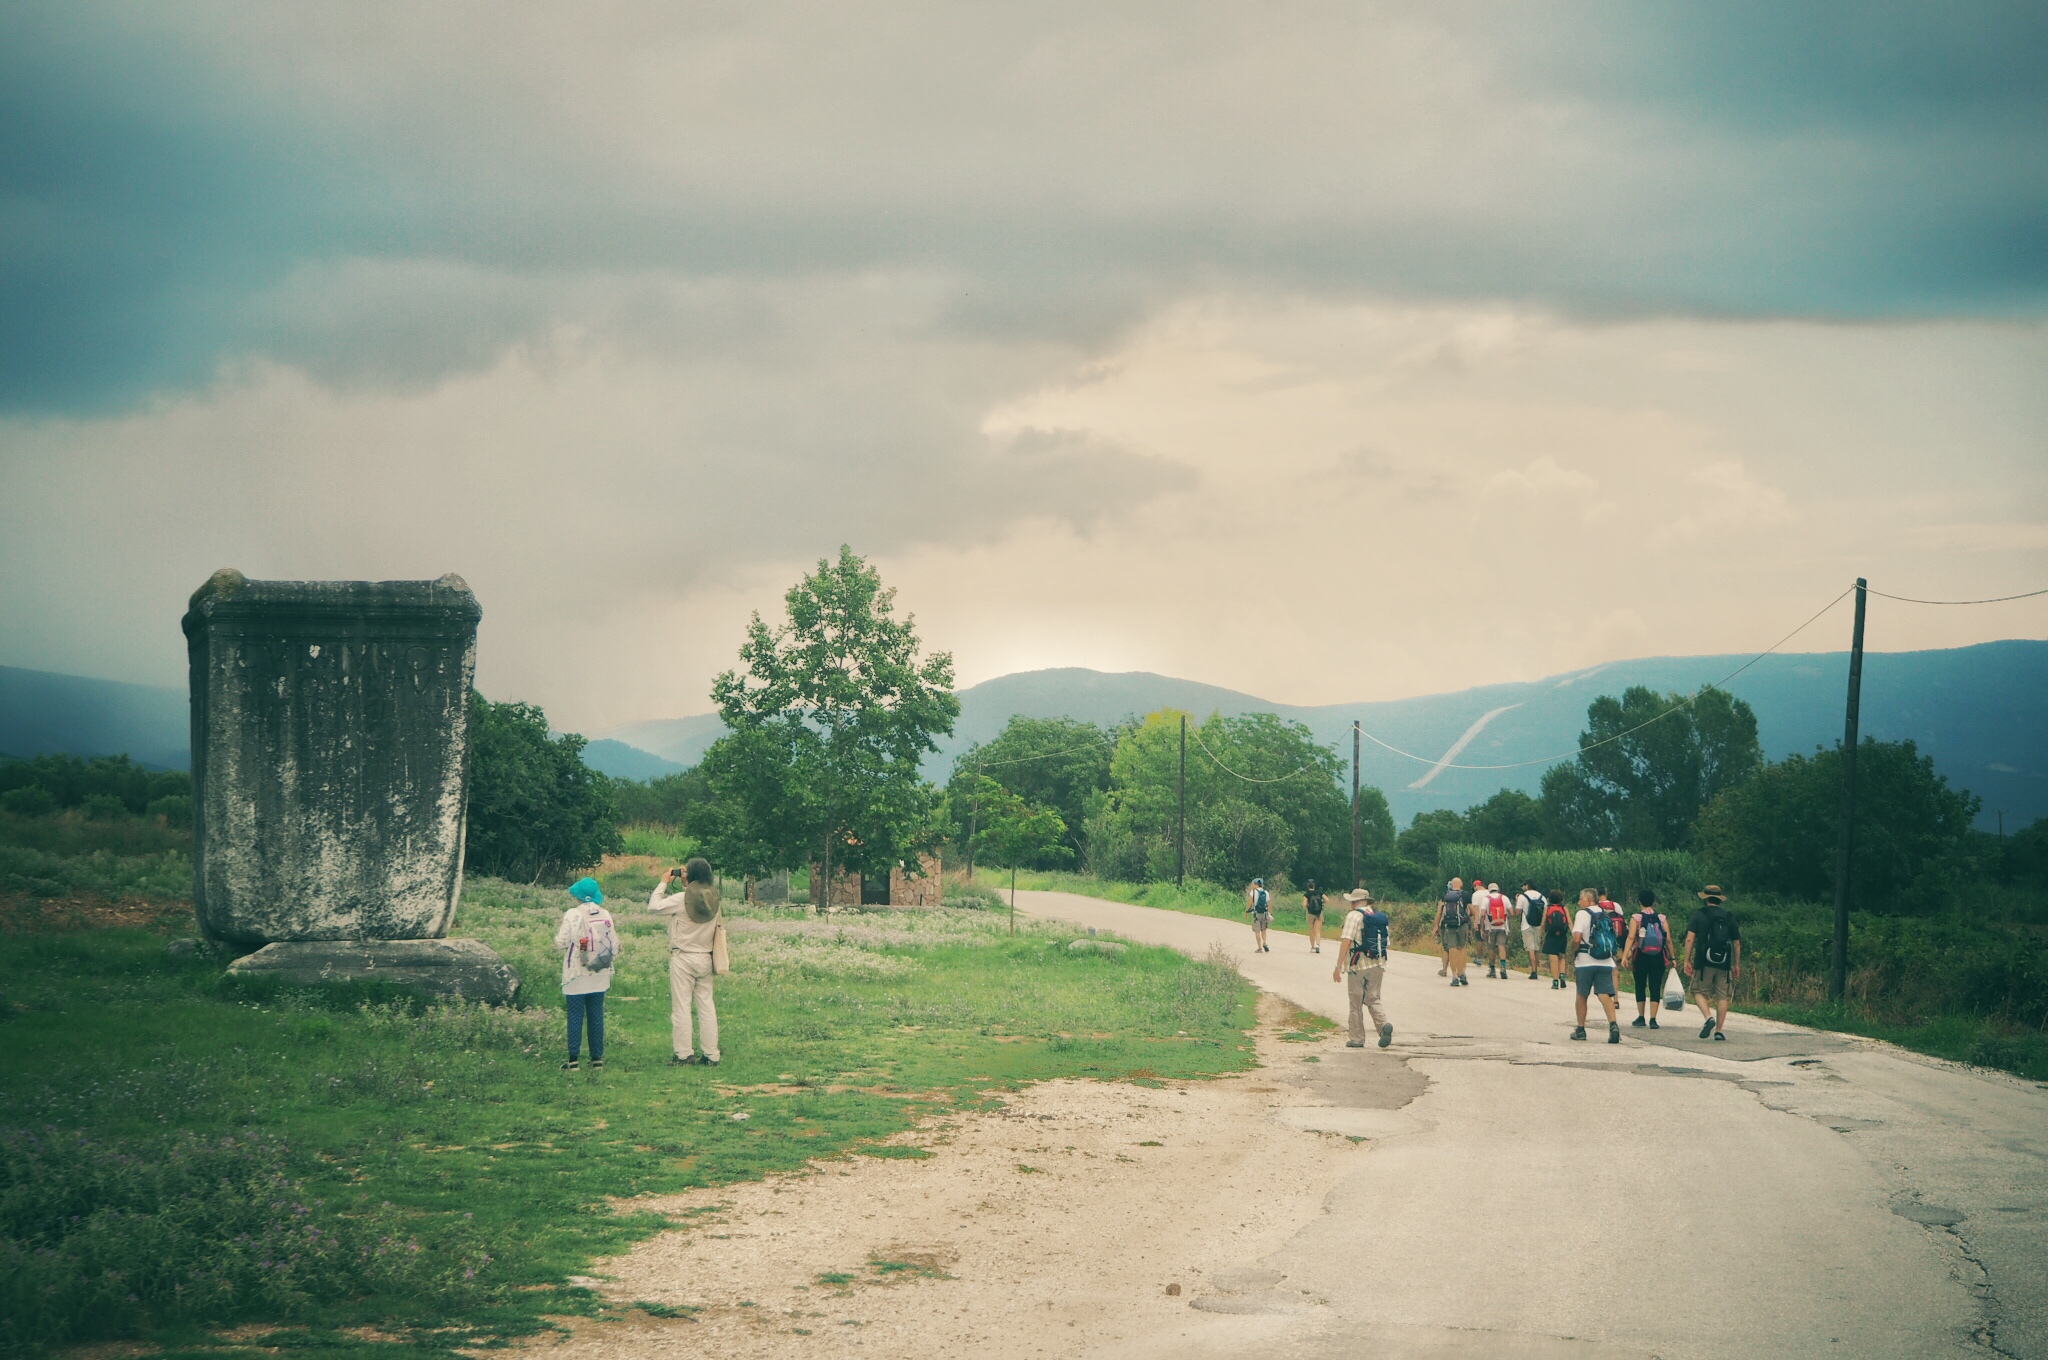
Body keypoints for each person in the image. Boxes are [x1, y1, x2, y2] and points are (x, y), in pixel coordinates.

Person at [650, 856, 724, 1066]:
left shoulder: (682, 899)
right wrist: (687, 881)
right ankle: (711, 1054)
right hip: (705, 956)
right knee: (706, 1005)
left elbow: (653, 907)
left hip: (683, 956)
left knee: (682, 1006)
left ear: (690, 876)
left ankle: (684, 1054)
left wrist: (664, 881)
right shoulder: (713, 899)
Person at [555, 877, 617, 1071]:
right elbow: (614, 944)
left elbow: (562, 942)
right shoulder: (605, 913)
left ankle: (573, 1060)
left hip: (577, 972)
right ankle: (596, 1058)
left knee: (575, 1014)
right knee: (596, 1014)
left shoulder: (573, 914)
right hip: (600, 972)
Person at [1333, 888, 1393, 1048]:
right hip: (1378, 964)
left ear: (1354, 902)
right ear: (1367, 901)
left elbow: (1346, 941)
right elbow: (1387, 942)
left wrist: (1338, 966)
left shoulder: (1353, 916)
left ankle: (1357, 1039)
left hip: (1357, 965)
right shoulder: (1377, 916)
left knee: (1355, 1002)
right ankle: (1384, 1024)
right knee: (1373, 998)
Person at [1684, 885, 1742, 1041]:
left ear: (1705, 898)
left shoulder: (1699, 914)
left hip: (1703, 963)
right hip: (1724, 963)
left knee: (1698, 991)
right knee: (1722, 996)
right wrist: (1736, 964)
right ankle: (1719, 1031)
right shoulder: (1729, 916)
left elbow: (1690, 939)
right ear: (1720, 899)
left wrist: (1686, 960)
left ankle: (1709, 1017)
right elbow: (1736, 943)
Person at [1571, 887, 1622, 1043]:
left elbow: (1576, 938)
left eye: (1581, 898)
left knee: (1582, 994)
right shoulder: (1604, 914)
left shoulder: (1582, 914)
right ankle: (1613, 1025)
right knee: (1604, 994)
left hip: (1586, 961)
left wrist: (1573, 953)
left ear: (1588, 899)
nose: (1579, 901)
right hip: (1606, 961)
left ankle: (1580, 1029)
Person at [1622, 889, 1675, 1029]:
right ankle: (1653, 1019)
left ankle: (1641, 1017)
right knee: (1655, 986)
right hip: (1658, 956)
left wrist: (1625, 955)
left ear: (1639, 901)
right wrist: (1672, 957)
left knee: (1640, 985)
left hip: (1640, 955)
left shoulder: (1636, 918)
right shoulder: (1662, 918)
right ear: (1653, 901)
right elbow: (1668, 939)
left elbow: (1631, 937)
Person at [1436, 877, 1473, 986]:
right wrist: (1474, 921)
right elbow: (1472, 910)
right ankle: (1461, 972)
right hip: (1462, 924)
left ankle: (1454, 977)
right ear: (1461, 884)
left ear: (1451, 885)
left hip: (1449, 925)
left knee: (1452, 949)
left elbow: (1439, 912)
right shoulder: (1465, 895)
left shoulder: (1446, 895)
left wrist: (1436, 926)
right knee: (1462, 948)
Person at [1539, 892, 1572, 988]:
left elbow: (1543, 923)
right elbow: (1569, 922)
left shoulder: (1548, 908)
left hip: (1551, 935)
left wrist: (1541, 935)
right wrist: (1573, 934)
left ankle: (1555, 981)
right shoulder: (1563, 908)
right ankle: (1562, 975)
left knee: (1553, 959)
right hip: (1562, 935)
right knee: (1562, 956)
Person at [1481, 882, 1511, 979]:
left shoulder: (1486, 899)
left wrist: (1482, 928)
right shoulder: (1504, 898)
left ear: (1489, 890)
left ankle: (1492, 970)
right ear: (1497, 889)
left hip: (1490, 927)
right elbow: (1512, 912)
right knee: (1501, 946)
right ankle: (1503, 967)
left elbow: (1482, 914)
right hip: (1502, 927)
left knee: (1491, 948)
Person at [1517, 880, 1547, 980]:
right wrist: (1543, 925)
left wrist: (1517, 900)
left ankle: (1533, 971)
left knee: (1530, 948)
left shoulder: (1522, 896)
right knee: (1537, 948)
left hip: (1526, 925)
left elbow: (1518, 912)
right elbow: (1545, 911)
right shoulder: (1542, 897)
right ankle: (1537, 969)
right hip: (1539, 925)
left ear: (1527, 886)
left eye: (1523, 885)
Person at [1244, 878, 1273, 953]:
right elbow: (1269, 904)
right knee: (1264, 930)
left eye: (1253, 884)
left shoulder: (1253, 892)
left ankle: (1259, 948)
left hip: (1256, 914)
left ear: (1256, 884)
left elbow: (1250, 903)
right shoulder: (1266, 892)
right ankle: (1265, 942)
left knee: (1257, 931)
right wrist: (1270, 913)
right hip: (1264, 913)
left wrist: (1247, 911)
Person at [1303, 879, 1326, 954]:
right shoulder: (1319, 892)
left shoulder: (1307, 894)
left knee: (1312, 930)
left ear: (1307, 886)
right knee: (1318, 930)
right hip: (1319, 913)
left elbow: (1304, 905)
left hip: (1310, 913)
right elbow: (1327, 900)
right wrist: (1322, 903)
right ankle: (1318, 945)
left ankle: (1312, 947)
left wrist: (1308, 906)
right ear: (1314, 885)